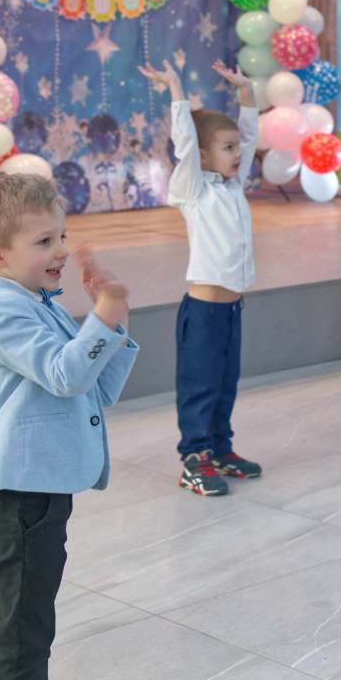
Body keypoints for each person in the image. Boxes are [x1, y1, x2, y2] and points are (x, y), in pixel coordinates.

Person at [0, 172, 138, 680]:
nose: (61, 251)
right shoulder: (3, 309)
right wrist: (102, 316)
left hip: (40, 489)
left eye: (61, 236)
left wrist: (112, 321)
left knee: (33, 623)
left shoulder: (37, 300)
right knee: (25, 629)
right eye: (44, 241)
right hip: (19, 493)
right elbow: (65, 376)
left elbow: (96, 387)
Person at [140, 60, 263, 497]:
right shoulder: (194, 189)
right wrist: (176, 89)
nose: (238, 154)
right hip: (204, 312)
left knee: (225, 385)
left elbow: (249, 134)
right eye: (227, 148)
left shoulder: (232, 185)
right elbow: (185, 143)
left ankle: (220, 449)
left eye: (236, 148)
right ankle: (195, 459)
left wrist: (246, 92)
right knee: (200, 387)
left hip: (231, 309)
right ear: (204, 156)